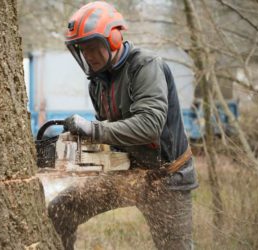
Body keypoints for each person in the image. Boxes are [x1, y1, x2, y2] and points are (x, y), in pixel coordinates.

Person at [48, 2, 198, 249]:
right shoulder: (97, 82)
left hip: (167, 179)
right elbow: (112, 132)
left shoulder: (145, 66)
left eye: (93, 47)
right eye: (83, 50)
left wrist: (94, 130)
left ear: (114, 38)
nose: (89, 55)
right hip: (128, 173)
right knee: (60, 210)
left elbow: (149, 125)